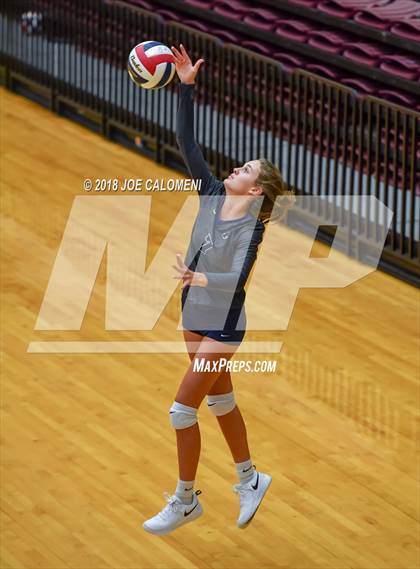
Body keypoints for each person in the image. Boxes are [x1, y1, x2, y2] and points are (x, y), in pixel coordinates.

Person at [143, 44, 295, 536]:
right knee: (221, 403)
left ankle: (186, 499)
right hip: (195, 312)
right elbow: (188, 143)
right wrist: (186, 88)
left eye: (246, 170)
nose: (236, 169)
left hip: (225, 324)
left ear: (255, 192)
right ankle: (250, 479)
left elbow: (238, 280)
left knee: (181, 409)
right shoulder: (210, 193)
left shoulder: (251, 229)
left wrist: (202, 276)